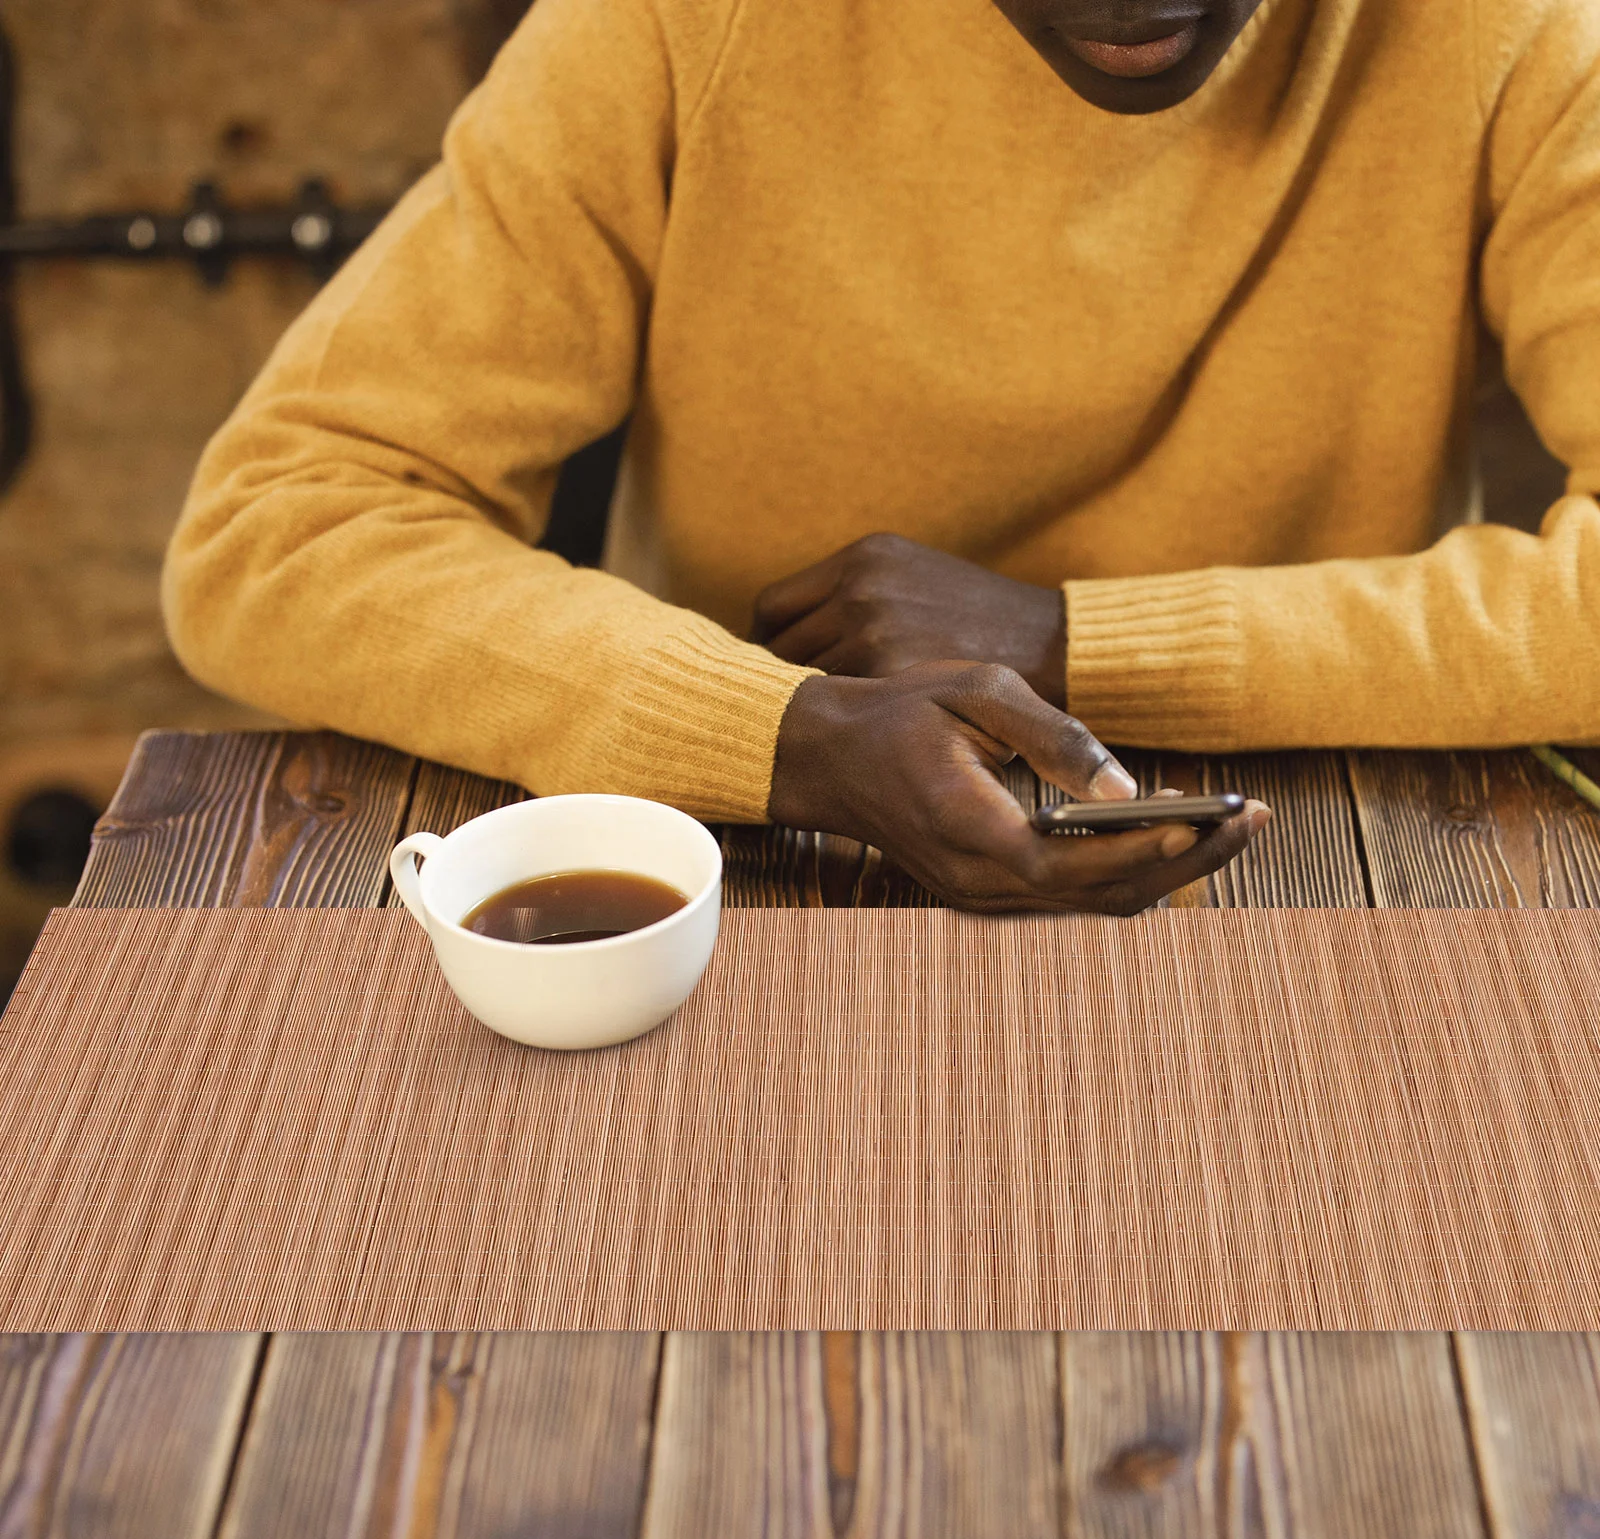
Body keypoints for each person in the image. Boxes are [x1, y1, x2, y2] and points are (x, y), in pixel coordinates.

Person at [163, 0, 1600, 914]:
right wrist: (778, 733)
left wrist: (1075, 645)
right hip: (756, 862)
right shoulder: (676, 25)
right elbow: (280, 527)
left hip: (1338, 864)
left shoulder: (1514, 35)